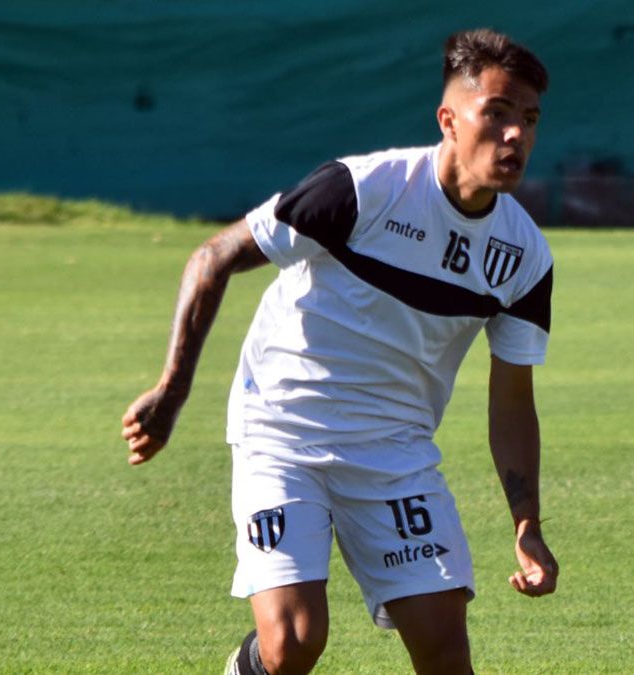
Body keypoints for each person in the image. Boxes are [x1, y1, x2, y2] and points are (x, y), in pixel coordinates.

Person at [122, 28, 559, 675]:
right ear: (448, 120)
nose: (515, 134)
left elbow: (513, 402)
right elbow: (213, 256)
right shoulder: (363, 190)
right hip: (283, 430)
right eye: (496, 113)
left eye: (529, 118)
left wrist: (527, 522)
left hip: (394, 450)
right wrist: (172, 391)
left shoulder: (524, 256)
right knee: (294, 643)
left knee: (445, 652)